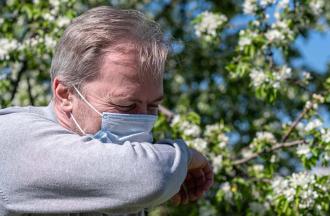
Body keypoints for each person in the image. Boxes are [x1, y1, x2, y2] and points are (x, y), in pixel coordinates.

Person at [0, 6, 213, 216]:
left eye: (153, 106)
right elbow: (153, 176)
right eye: (126, 106)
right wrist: (183, 158)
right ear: (65, 95)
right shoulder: (11, 136)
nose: (143, 120)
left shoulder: (118, 194)